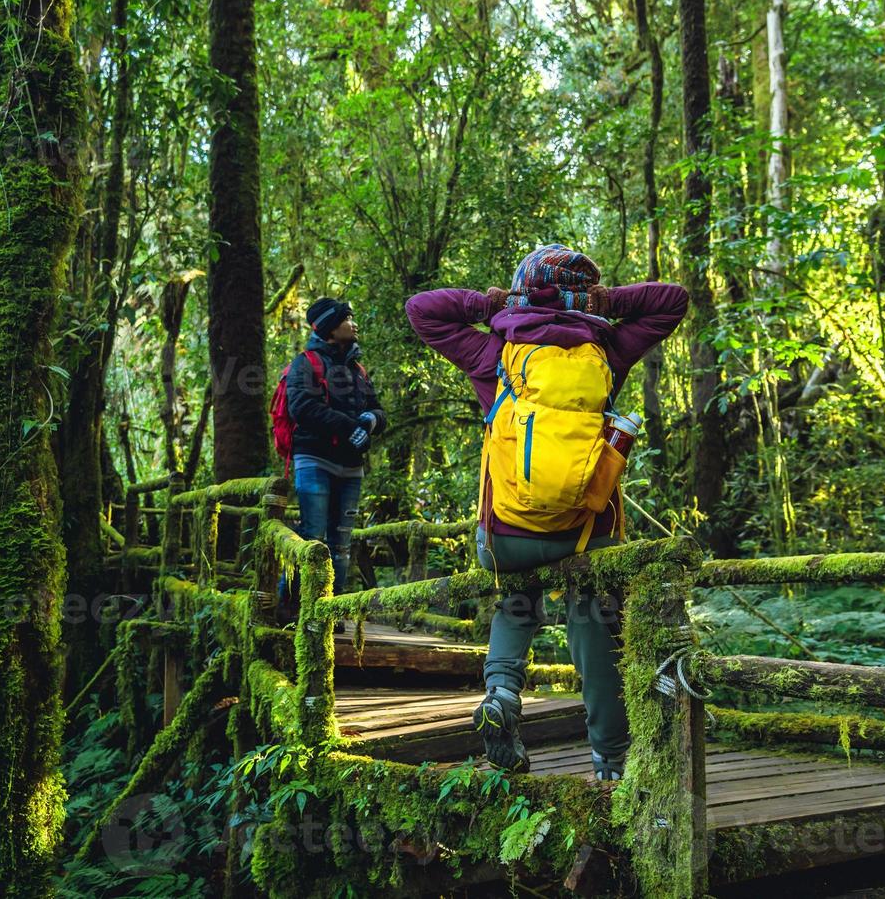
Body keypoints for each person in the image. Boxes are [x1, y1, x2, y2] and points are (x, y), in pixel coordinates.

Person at [406, 245, 688, 781]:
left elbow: (423, 308)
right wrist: (600, 302)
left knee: (517, 597)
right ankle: (610, 760)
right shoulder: (606, 351)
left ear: (521, 286)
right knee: (593, 619)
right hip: (585, 532)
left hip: (507, 532)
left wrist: (491, 304)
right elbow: (671, 301)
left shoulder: (496, 354)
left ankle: (503, 691)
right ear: (586, 297)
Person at [281, 298, 385, 615]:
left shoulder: (357, 369)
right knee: (313, 536)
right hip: (314, 460)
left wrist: (371, 422)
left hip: (351, 467)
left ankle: (329, 612)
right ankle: (292, 608)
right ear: (329, 328)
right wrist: (350, 425)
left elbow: (378, 409)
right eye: (347, 320)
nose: (354, 325)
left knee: (341, 542)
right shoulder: (305, 363)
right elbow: (303, 408)